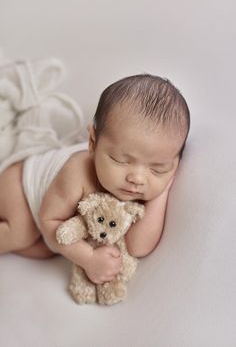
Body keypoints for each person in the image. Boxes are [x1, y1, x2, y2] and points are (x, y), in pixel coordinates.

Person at [0, 74, 190, 284]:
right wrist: (88, 258)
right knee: (22, 233)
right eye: (120, 160)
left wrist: (161, 190)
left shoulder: (139, 185)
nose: (137, 178)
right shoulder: (77, 172)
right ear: (92, 141)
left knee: (45, 251)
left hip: (44, 220)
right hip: (19, 184)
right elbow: (49, 220)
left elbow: (138, 246)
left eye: (158, 168)